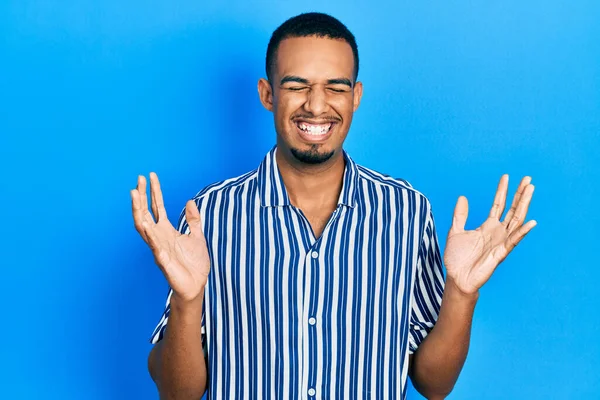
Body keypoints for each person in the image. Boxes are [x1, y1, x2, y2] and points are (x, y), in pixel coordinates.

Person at [131, 12, 536, 400]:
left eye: (336, 87)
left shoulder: (407, 212)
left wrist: (462, 294)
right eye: (296, 85)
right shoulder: (211, 216)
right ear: (267, 94)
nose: (317, 105)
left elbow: (434, 385)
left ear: (356, 96)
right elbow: (176, 393)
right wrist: (187, 302)